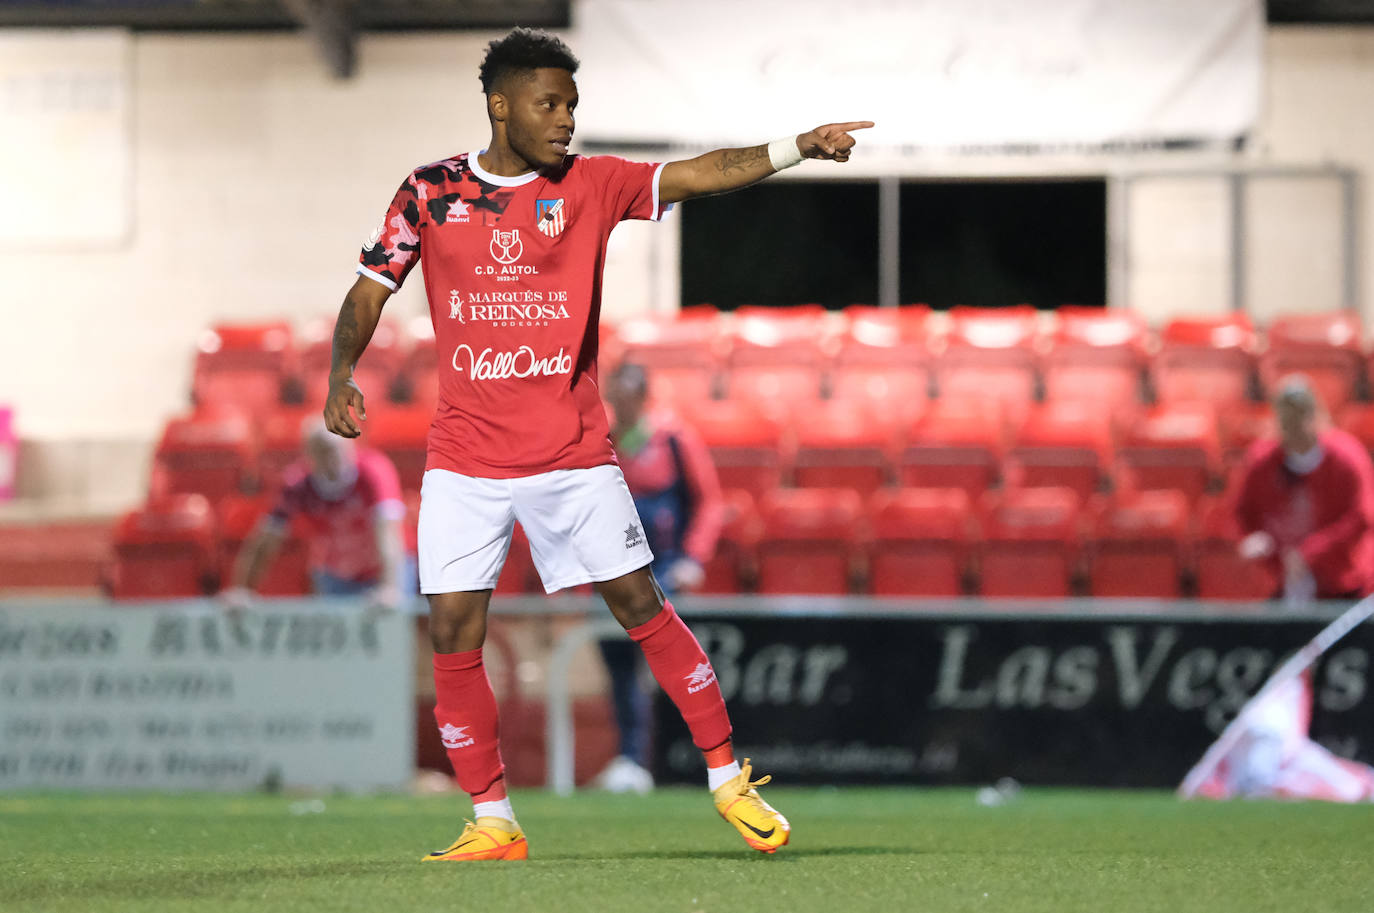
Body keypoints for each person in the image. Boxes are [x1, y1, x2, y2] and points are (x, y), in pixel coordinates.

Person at [324, 26, 871, 860]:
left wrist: (797, 145)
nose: (566, 120)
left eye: (572, 105)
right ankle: (493, 820)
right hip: (466, 460)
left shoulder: (592, 185)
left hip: (573, 458)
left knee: (642, 607)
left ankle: (728, 778)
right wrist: (341, 372)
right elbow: (369, 288)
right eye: (549, 104)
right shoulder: (429, 191)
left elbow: (706, 171)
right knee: (452, 631)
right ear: (500, 106)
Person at [594, 361, 725, 794]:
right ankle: (632, 760)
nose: (623, 406)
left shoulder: (672, 438)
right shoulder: (602, 440)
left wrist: (694, 558)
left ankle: (686, 759)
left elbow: (709, 502)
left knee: (677, 665)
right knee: (620, 671)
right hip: (614, 572)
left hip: (666, 572)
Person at [221, 420, 413, 612]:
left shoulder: (374, 471)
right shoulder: (297, 484)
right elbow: (266, 540)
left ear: (349, 448)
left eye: (332, 450)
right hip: (335, 573)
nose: (328, 460)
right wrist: (242, 590)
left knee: (396, 626)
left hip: (386, 567)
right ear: (308, 454)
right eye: (320, 452)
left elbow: (387, 531)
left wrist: (389, 587)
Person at [1233, 375, 1374, 604]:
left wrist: (1308, 554)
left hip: (1344, 586)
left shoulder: (1347, 458)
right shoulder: (1262, 462)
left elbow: (1361, 517)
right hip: (1281, 582)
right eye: (1287, 418)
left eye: (1301, 416)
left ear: (1316, 414)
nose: (1295, 427)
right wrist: (1258, 542)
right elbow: (1243, 513)